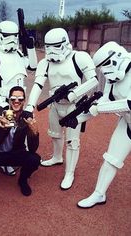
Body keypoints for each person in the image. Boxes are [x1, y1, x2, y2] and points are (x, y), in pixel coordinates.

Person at [24, 28, 98, 190]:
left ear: (65, 44)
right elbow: (38, 84)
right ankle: (57, 157)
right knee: (55, 135)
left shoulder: (79, 58)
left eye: (55, 46)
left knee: (72, 142)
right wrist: (29, 106)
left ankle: (69, 173)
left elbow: (93, 81)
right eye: (48, 47)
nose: (51, 51)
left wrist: (73, 95)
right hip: (55, 105)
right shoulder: (45, 63)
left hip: (74, 106)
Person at [77, 41, 131, 208]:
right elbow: (106, 99)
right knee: (111, 159)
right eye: (101, 67)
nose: (105, 71)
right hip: (127, 124)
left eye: (106, 64)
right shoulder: (112, 77)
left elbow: (128, 103)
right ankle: (99, 194)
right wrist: (79, 117)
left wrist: (97, 109)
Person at [0, 20, 38, 175]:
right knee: (6, 131)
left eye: (15, 36)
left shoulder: (19, 53)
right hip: (4, 98)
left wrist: (30, 46)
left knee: (23, 128)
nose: (12, 39)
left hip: (20, 100)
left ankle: (19, 157)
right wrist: (1, 104)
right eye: (8, 36)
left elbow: (33, 66)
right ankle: (3, 161)